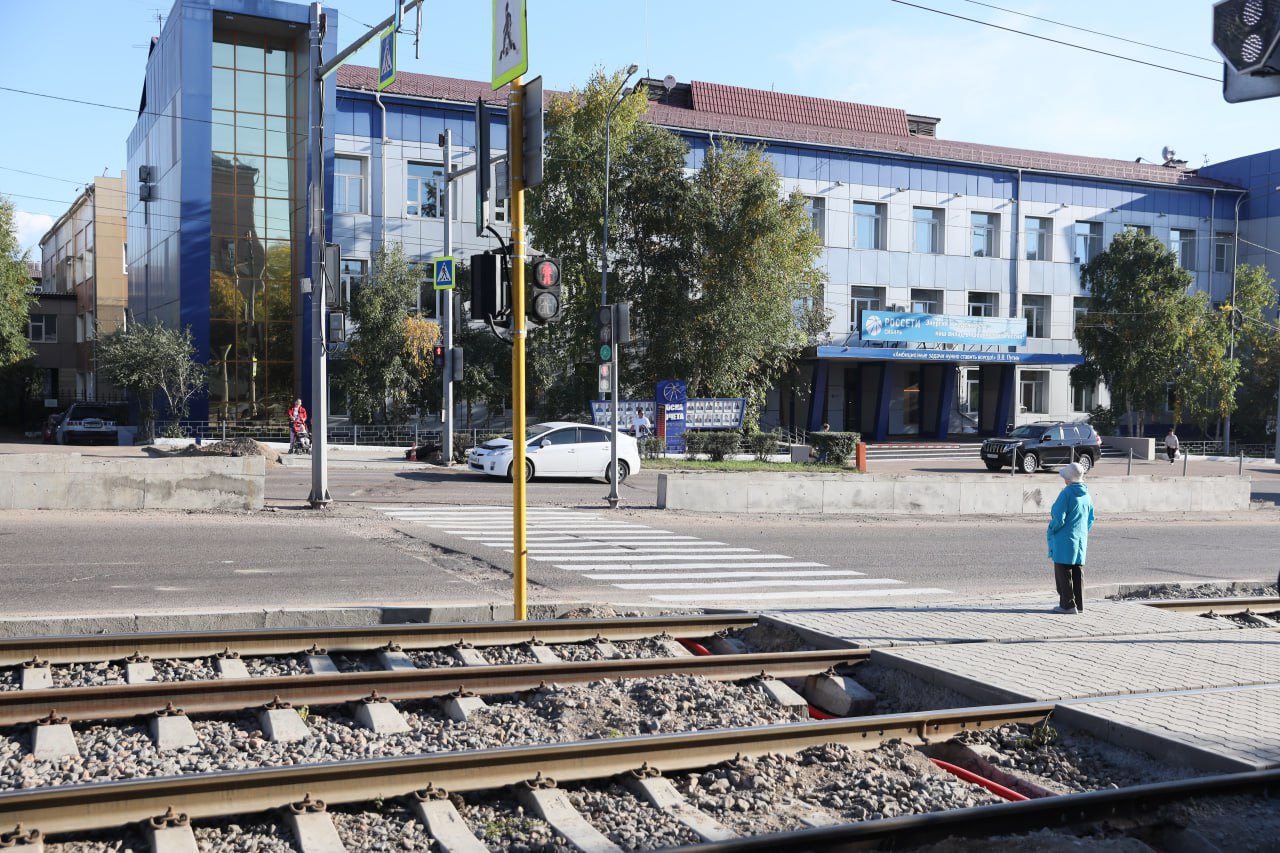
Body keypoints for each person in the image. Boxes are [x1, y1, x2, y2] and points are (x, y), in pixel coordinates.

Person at [1047, 461, 1095, 614]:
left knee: (1063, 570)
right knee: (1077, 570)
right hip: (1080, 539)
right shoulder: (1087, 495)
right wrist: (1082, 532)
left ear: (1069, 478)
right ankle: (1079, 605)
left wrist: (1052, 528)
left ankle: (1067, 605)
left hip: (1064, 539)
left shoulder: (1066, 493)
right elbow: (1090, 519)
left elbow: (1058, 517)